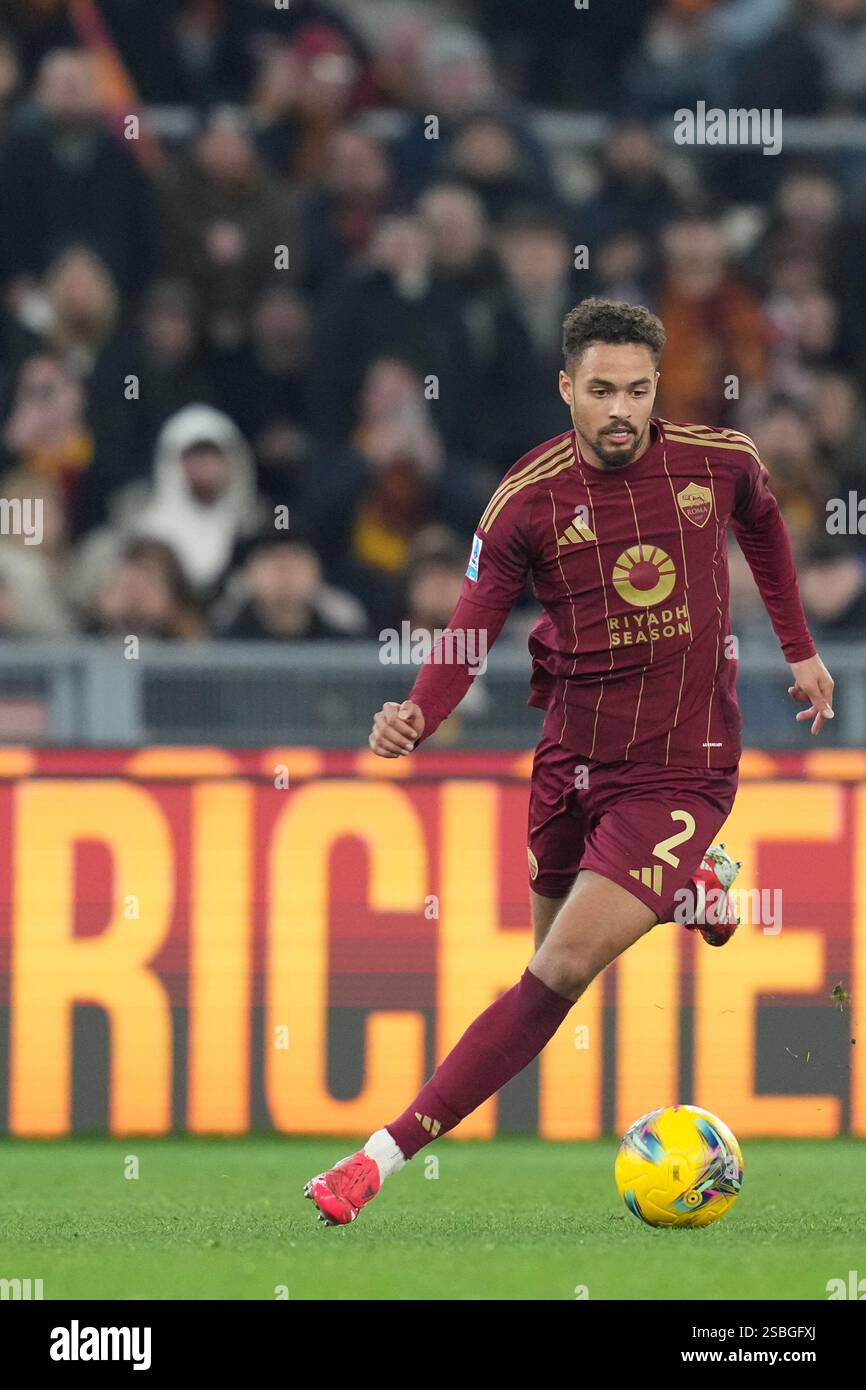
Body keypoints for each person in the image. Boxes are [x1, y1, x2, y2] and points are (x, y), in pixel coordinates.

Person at [304, 297, 835, 1225]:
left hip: (683, 766)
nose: (620, 408)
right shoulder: (527, 501)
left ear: (656, 387)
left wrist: (798, 647)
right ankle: (691, 886)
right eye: (601, 391)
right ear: (567, 389)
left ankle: (375, 1161)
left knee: (554, 976)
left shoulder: (719, 463)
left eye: (636, 390)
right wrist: (417, 718)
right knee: (545, 972)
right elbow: (471, 628)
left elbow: (765, 527)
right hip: (571, 758)